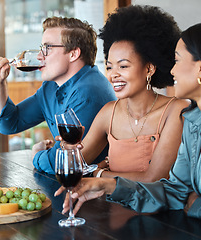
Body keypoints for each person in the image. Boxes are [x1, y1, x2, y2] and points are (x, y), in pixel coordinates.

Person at [55, 19, 201, 231]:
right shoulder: (193, 118)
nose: (172, 71)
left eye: (177, 61)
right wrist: (108, 186)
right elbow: (175, 192)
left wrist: (195, 205)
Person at [60, 5, 188, 182]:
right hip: (108, 208)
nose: (113, 75)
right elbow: (76, 166)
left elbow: (154, 179)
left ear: (149, 68)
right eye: (109, 67)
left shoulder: (176, 110)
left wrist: (100, 173)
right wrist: (70, 149)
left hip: (157, 209)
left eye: (123, 66)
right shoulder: (108, 113)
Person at [0, 17, 116, 174]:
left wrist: (36, 155)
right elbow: (9, 124)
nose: (40, 56)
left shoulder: (89, 92)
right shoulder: (50, 87)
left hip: (95, 189)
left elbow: (64, 162)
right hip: (66, 184)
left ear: (73, 54)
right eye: (41, 48)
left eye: (47, 48)